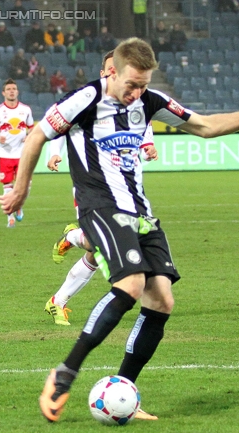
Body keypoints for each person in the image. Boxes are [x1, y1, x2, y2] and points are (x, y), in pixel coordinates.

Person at [0, 37, 239, 423]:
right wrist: (21, 189)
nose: (137, 93)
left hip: (140, 212)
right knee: (131, 284)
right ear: (111, 71)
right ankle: (64, 374)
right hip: (100, 206)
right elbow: (36, 136)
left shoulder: (150, 101)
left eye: (144, 84)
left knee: (162, 300)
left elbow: (203, 126)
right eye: (131, 84)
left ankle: (123, 392)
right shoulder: (85, 99)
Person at [44, 51, 156, 329]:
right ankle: (60, 293)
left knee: (98, 250)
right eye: (110, 69)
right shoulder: (86, 99)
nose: (113, 74)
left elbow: (144, 126)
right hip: (91, 190)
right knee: (101, 247)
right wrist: (54, 152)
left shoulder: (133, 103)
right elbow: (58, 124)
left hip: (124, 191)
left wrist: (148, 145)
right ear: (104, 70)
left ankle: (60, 291)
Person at [0, 78, 34, 228]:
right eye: (8, 89)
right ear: (3, 93)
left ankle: (18, 205)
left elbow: (32, 127)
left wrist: (29, 136)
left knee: (26, 184)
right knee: (7, 185)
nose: (12, 91)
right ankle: (10, 217)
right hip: (5, 154)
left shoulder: (26, 109)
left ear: (17, 91)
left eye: (14, 88)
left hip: (23, 154)